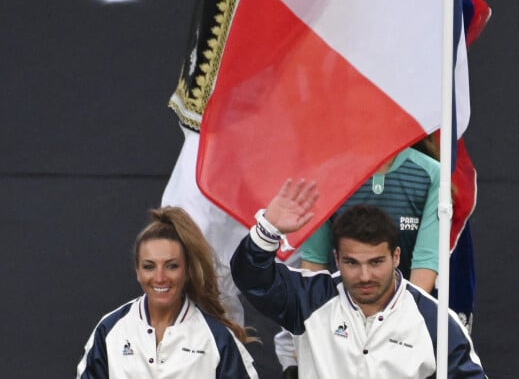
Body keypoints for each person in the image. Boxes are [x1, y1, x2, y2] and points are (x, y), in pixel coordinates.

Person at [140, 0, 296, 324]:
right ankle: (218, 353)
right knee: (183, 234)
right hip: (208, 126)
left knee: (288, 252)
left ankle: (294, 363)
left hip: (274, 134)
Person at [231, 180, 486, 378]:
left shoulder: (435, 320)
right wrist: (268, 229)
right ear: (336, 258)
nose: (365, 276)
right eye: (352, 263)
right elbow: (251, 278)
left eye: (376, 262)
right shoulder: (310, 298)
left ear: (396, 256)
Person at [275, 146, 440, 377]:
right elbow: (314, 262)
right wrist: (311, 331)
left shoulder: (431, 173)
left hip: (406, 320)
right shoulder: (327, 171)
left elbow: (426, 262)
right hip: (341, 315)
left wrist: (399, 327)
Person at [76, 207, 258, 378]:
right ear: (137, 272)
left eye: (171, 266)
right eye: (149, 267)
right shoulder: (110, 330)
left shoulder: (216, 337)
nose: (160, 277)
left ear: (187, 271)